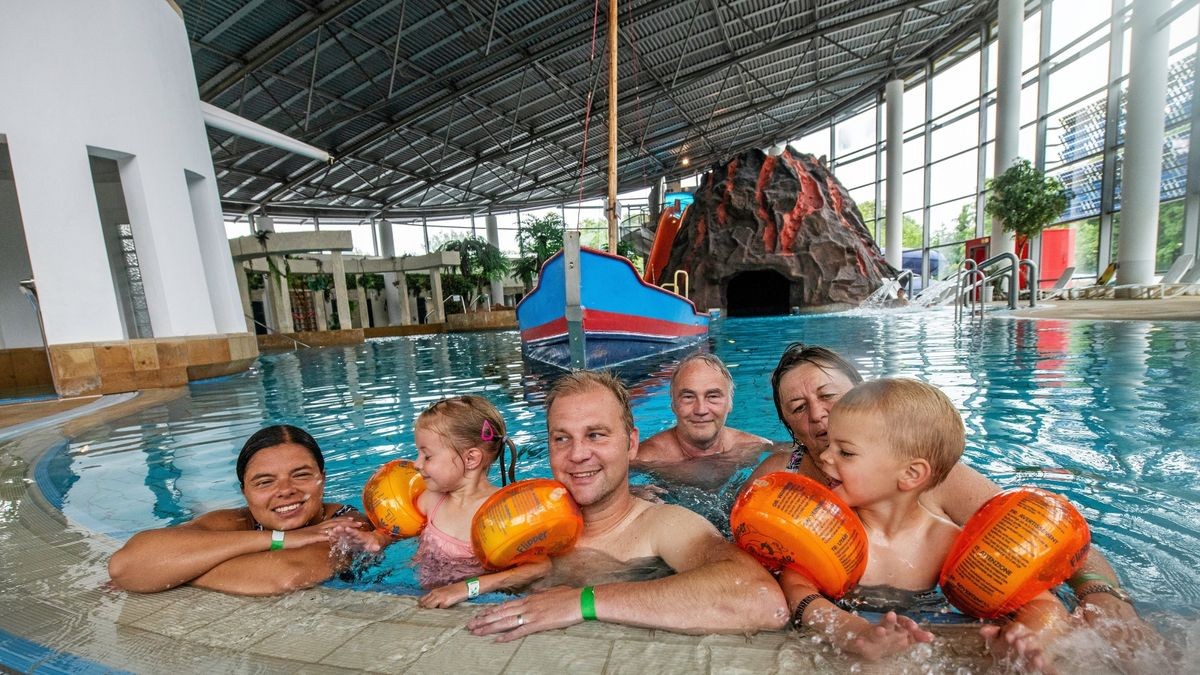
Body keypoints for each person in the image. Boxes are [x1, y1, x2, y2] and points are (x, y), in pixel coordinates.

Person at [744, 343, 1160, 640]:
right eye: (798, 408)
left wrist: (1099, 594)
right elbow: (745, 557)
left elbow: (1039, 541)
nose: (817, 415)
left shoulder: (933, 474)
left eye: (828, 395)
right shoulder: (781, 476)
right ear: (789, 427)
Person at [466, 370, 788, 640]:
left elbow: (761, 600)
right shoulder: (524, 523)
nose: (577, 454)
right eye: (561, 438)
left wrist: (584, 602)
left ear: (631, 444)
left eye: (596, 435)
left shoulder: (663, 525)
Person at [780, 378, 1070, 669]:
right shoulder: (824, 528)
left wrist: (1027, 637)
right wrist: (848, 629)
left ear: (910, 474)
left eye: (846, 452)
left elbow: (1046, 605)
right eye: (829, 444)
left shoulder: (948, 545)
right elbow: (795, 587)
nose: (825, 456)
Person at [337, 395, 549, 608]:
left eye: (427, 456)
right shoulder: (431, 499)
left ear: (470, 459)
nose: (417, 464)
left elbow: (539, 568)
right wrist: (377, 540)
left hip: (478, 603)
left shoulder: (501, 512)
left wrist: (466, 588)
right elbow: (399, 529)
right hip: (427, 594)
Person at [108, 424, 368, 596]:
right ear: (245, 491)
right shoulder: (236, 520)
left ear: (323, 478)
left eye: (300, 475)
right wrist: (280, 539)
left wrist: (175, 571)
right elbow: (125, 565)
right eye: (265, 482)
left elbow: (286, 575)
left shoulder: (348, 524)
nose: (285, 490)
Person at [632, 353, 772, 490]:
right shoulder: (644, 458)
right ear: (673, 404)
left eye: (712, 396)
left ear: (730, 403)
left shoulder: (753, 446)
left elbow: (792, 458)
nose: (701, 410)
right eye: (688, 397)